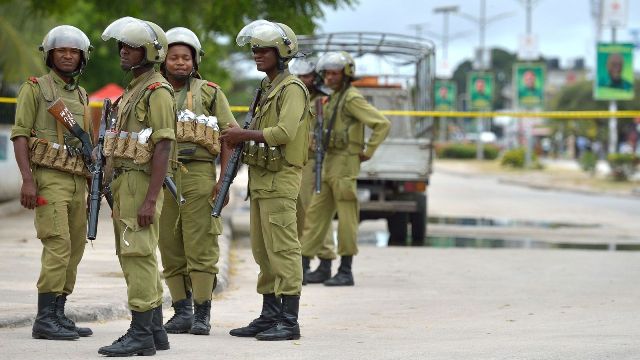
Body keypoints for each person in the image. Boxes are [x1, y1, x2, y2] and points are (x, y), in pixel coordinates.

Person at [223, 19, 310, 341]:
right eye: (255, 50)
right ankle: (269, 314)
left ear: (282, 52)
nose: (257, 55)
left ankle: (289, 320)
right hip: (260, 180)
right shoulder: (266, 88)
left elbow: (284, 133)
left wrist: (242, 134)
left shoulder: (292, 89)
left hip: (281, 179)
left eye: (263, 50)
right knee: (263, 252)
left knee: (284, 250)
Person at [11, 25, 93, 341]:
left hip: (77, 180)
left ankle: (58, 313)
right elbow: (20, 134)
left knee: (74, 249)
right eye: (62, 50)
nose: (68, 56)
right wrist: (27, 180)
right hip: (48, 178)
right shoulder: (35, 89)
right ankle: (44, 319)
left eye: (74, 51)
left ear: (82, 57)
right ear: (50, 54)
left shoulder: (82, 94)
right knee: (57, 246)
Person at [98, 17, 175, 356]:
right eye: (122, 46)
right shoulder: (135, 87)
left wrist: (150, 199)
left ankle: (141, 333)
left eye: (131, 47)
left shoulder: (156, 90)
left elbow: (163, 145)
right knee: (133, 254)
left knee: (138, 254)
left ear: (150, 52)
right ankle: (155, 330)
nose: (123, 52)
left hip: (141, 183)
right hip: (126, 181)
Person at [157, 27, 237, 336]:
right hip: (162, 177)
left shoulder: (210, 92)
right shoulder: (152, 92)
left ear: (195, 60)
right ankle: (181, 311)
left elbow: (229, 137)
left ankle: (203, 313)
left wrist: (224, 180)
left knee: (201, 244)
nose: (179, 63)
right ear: (163, 60)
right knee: (169, 244)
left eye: (185, 57)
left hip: (200, 174)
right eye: (173, 57)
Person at [300, 51, 390, 286]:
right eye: (327, 73)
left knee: (347, 217)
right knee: (316, 215)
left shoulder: (351, 98)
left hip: (345, 163)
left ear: (346, 74)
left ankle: (346, 270)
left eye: (334, 73)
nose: (329, 78)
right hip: (329, 162)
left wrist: (368, 151)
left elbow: (381, 124)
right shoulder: (334, 98)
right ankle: (304, 266)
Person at [288, 57, 336, 285]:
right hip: (293, 162)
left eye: (306, 76)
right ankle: (300, 262)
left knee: (314, 212)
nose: (302, 80)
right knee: (296, 213)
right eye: (298, 76)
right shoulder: (292, 96)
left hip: (314, 162)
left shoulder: (323, 101)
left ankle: (324, 261)